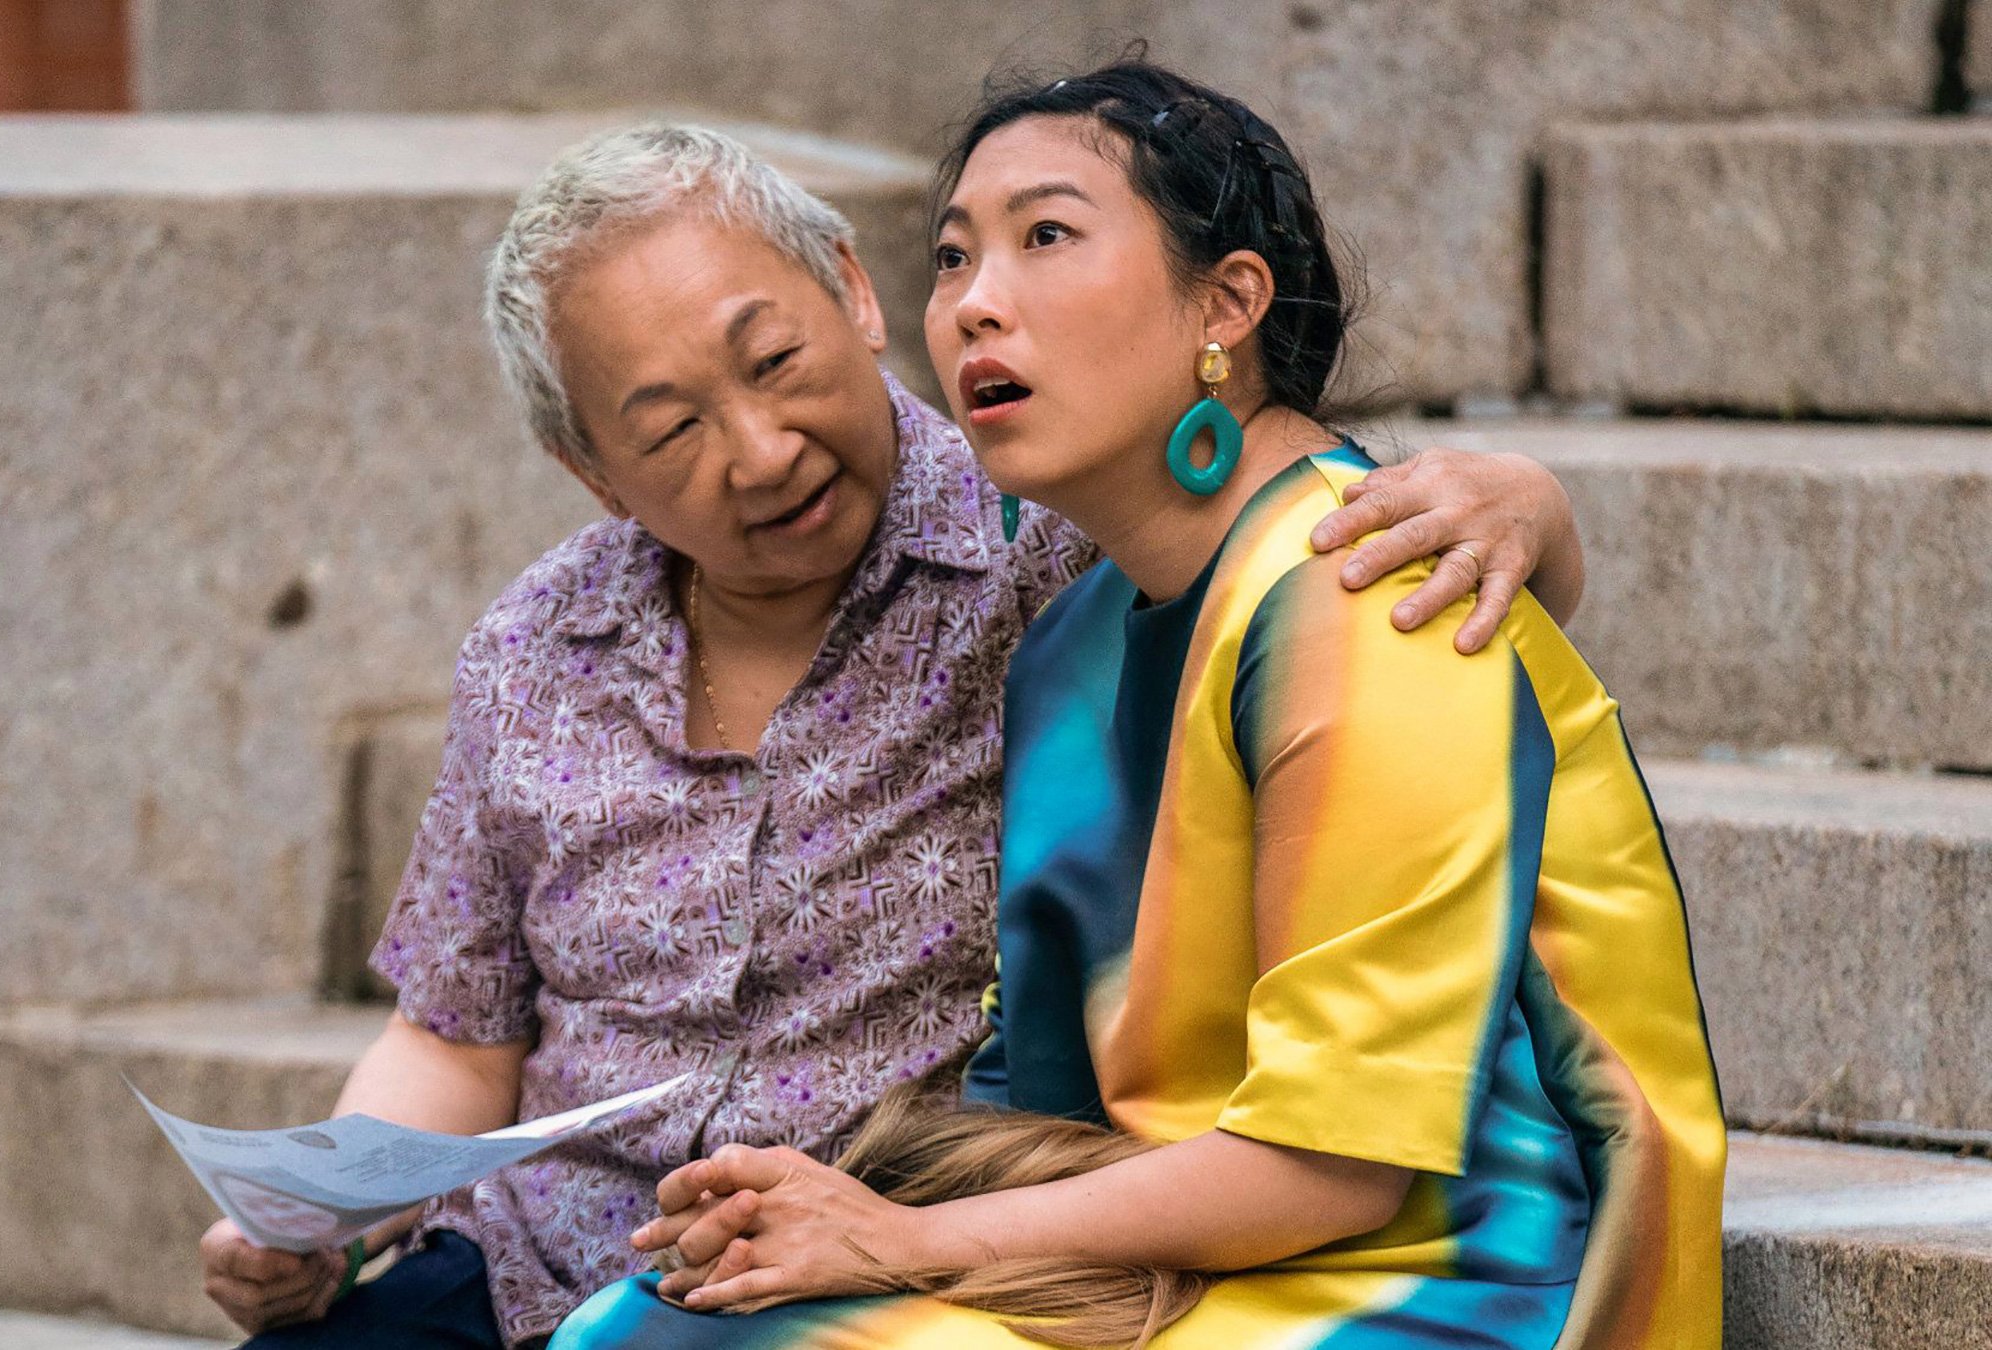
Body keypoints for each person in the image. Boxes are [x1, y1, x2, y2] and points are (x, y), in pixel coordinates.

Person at [200, 122, 1594, 1350]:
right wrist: (317, 1218)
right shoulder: (534, 650)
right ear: (592, 471)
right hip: (529, 1255)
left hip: (877, 1249)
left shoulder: (1050, 539)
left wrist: (1531, 504)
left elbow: (1301, 567)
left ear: (856, 297)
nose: (761, 449)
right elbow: (455, 1033)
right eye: (673, 427)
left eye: (776, 360)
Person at [560, 63, 1723, 1350]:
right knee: (655, 1328)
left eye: (1044, 237)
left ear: (1226, 302)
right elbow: (1043, 1110)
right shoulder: (1071, 640)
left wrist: (908, 1240)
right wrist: (828, 1205)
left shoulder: (1364, 589)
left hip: (1443, 1281)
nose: (972, 307)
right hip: (1174, 1254)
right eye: (950, 260)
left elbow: (1338, 1161)